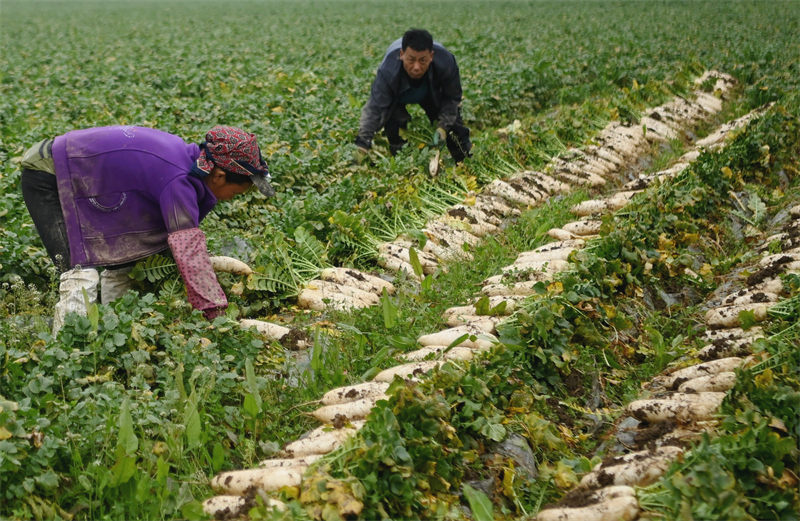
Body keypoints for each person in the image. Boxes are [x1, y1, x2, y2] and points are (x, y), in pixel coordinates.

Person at [19, 125, 275, 332]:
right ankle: (65, 362)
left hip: (85, 174)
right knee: (79, 273)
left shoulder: (188, 163)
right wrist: (215, 315)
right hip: (50, 171)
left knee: (123, 267)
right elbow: (189, 252)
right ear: (219, 176)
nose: (232, 198)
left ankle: (112, 337)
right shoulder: (178, 178)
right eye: (237, 191)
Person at [354, 28, 472, 163]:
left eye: (423, 60)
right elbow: (375, 108)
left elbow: (452, 98)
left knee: (455, 130)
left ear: (431, 56)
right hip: (398, 96)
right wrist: (362, 144)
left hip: (432, 92)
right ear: (402, 54)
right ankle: (403, 164)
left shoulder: (446, 63)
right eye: (411, 60)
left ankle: (466, 162)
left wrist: (443, 127)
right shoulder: (388, 72)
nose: (416, 67)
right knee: (395, 128)